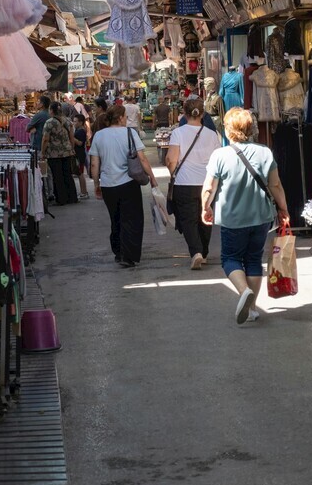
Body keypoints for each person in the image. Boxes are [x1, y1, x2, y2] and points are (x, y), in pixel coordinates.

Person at [201, 107, 290, 324]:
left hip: (232, 218)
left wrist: (205, 207)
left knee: (230, 258)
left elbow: (209, 188)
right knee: (253, 259)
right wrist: (283, 208)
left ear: (227, 129)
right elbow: (275, 185)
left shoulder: (220, 155)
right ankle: (251, 309)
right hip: (261, 217)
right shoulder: (265, 152)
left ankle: (243, 292)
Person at [89, 105, 157, 268]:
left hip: (108, 185)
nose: (126, 119)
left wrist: (97, 184)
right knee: (132, 219)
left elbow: (94, 163)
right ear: (120, 118)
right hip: (128, 183)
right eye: (125, 116)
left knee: (116, 219)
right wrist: (152, 178)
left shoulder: (99, 135)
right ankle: (128, 255)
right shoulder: (130, 133)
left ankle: (118, 252)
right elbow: (142, 159)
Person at [165, 98, 221, 269]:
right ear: (202, 114)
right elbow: (218, 160)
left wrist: (173, 173)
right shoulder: (212, 134)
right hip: (207, 183)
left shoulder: (178, 133)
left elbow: (171, 159)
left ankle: (196, 252)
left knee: (188, 220)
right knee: (206, 217)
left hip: (184, 183)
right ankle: (204, 252)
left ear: (184, 113)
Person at [41, 101, 78, 206]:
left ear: (51, 110)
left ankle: (61, 198)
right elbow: (71, 137)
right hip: (67, 152)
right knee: (68, 174)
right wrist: (72, 148)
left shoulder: (50, 122)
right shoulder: (68, 121)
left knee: (57, 176)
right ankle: (72, 197)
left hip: (54, 153)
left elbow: (45, 139)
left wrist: (42, 152)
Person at [73, 113, 89, 199]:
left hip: (80, 154)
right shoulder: (80, 130)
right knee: (80, 173)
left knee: (80, 174)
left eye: (75, 121)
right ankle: (83, 191)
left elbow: (80, 143)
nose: (74, 123)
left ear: (80, 122)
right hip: (79, 154)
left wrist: (72, 138)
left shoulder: (81, 131)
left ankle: (84, 192)